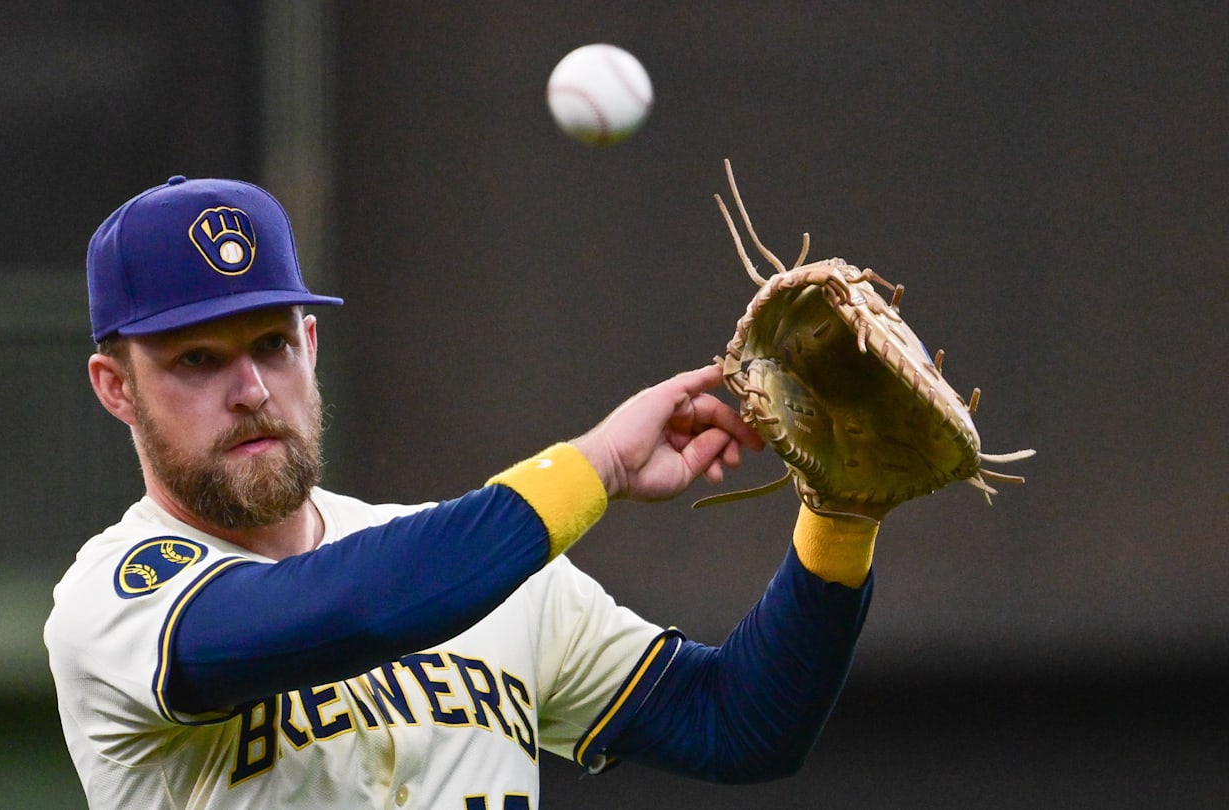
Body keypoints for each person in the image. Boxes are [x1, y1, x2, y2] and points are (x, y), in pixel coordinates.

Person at [44, 175, 881, 809]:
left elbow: (739, 725)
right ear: (116, 388)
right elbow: (353, 612)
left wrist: (839, 520)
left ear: (309, 343)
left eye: (270, 345)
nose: (254, 389)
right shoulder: (117, 603)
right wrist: (596, 466)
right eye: (197, 359)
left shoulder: (483, 571)